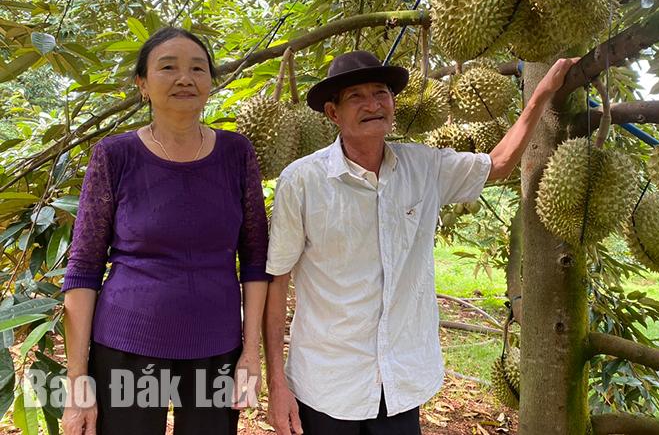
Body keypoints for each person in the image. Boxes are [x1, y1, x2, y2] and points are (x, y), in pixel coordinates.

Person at [264, 50, 577, 435]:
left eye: (381, 93)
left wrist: (541, 93)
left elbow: (498, 164)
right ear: (333, 114)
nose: (373, 104)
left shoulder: (424, 167)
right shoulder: (302, 181)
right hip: (326, 383)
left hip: (401, 381)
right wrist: (277, 383)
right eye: (356, 97)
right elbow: (276, 281)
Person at [61, 27, 270, 435]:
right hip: (127, 345)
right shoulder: (114, 155)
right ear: (142, 84)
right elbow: (84, 266)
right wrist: (77, 383)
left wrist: (251, 353)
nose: (185, 78)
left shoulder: (237, 152)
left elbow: (256, 258)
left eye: (197, 68)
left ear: (211, 82)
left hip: (217, 348)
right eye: (168, 67)